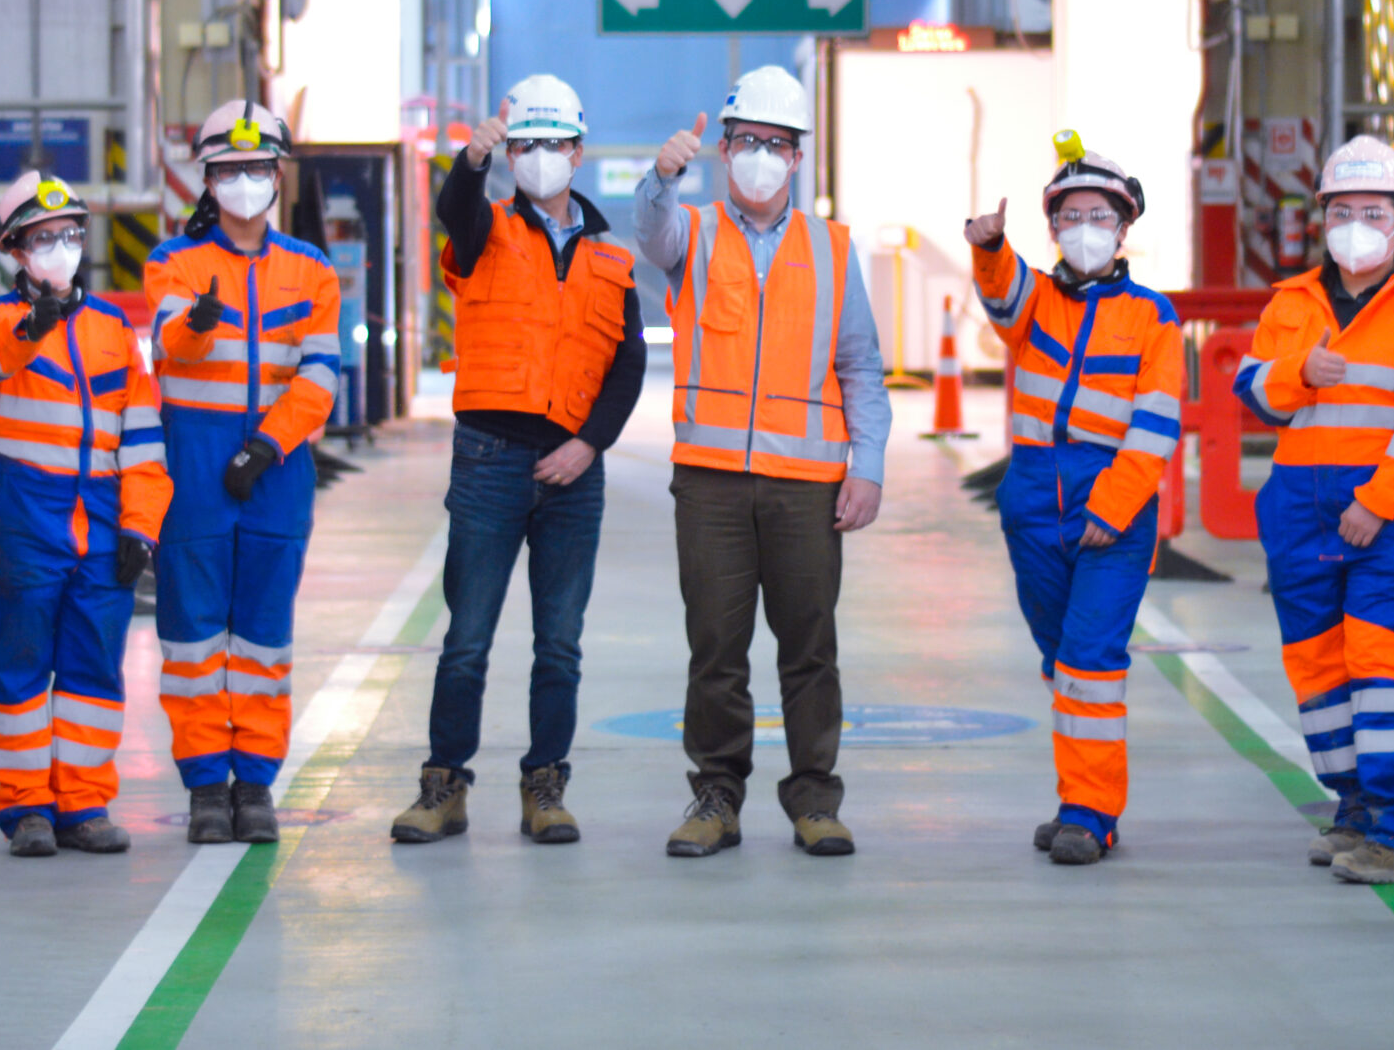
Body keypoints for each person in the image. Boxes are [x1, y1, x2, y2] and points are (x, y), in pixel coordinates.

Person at [634, 64, 892, 860]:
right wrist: (660, 176)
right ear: (724, 151)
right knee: (716, 646)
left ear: (798, 157)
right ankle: (716, 795)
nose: (761, 156)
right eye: (747, 141)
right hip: (710, 481)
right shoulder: (694, 232)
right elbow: (650, 232)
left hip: (806, 487)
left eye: (776, 144)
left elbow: (860, 365)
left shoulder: (831, 247)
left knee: (809, 646)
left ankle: (815, 797)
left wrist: (869, 464)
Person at [392, 76, 646, 846]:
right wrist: (470, 163)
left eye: (553, 144)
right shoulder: (487, 232)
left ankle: (546, 784)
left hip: (573, 471)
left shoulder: (611, 258)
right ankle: (444, 784)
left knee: (558, 642)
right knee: (467, 634)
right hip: (489, 461)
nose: (541, 157)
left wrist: (588, 444)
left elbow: (627, 366)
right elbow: (454, 215)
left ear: (578, 150)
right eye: (526, 145)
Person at [1234, 135, 1394, 885]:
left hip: (1389, 514)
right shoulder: (1292, 302)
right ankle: (1357, 806)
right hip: (1299, 512)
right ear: (1322, 218)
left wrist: (1377, 501)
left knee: (1383, 664)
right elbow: (1253, 393)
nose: (1356, 224)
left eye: (1373, 210)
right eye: (1342, 210)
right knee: (1317, 669)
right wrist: (1297, 370)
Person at [964, 136, 1182, 866]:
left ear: (1124, 228)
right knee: (1061, 662)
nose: (1085, 227)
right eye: (1071, 214)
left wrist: (1111, 510)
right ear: (1052, 228)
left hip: (1112, 513)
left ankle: (1092, 813)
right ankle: (1074, 798)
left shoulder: (1154, 318)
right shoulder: (1036, 301)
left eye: (1100, 214)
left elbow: (1154, 429)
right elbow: (1000, 295)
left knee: (1090, 661)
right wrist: (990, 248)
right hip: (1031, 503)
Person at [142, 102, 342, 844]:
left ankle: (254, 781)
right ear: (208, 180)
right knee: (192, 634)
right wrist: (195, 325)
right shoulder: (175, 263)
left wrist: (268, 445)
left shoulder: (312, 269)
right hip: (191, 465)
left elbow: (321, 373)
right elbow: (165, 348)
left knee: (262, 632)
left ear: (278, 176)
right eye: (230, 170)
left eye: (259, 169)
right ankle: (203, 784)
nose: (246, 182)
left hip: (276, 470)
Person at [0, 172, 170, 857]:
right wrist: (33, 325)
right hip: (22, 513)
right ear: (14, 250)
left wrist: (141, 527)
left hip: (104, 517)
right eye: (43, 238)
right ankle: (25, 808)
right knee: (19, 666)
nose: (59, 248)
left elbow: (142, 439)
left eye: (70, 235)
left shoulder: (114, 330)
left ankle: (83, 802)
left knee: (92, 668)